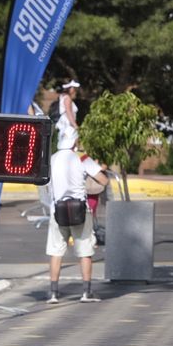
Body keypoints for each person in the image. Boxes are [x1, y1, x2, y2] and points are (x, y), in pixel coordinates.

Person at [45, 130, 107, 304]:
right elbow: (103, 180)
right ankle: (87, 292)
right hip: (80, 209)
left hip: (57, 210)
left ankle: (53, 293)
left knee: (56, 251)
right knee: (85, 252)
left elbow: (46, 184)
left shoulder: (52, 159)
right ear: (74, 142)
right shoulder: (82, 158)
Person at [52, 79, 81, 147]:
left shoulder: (64, 97)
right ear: (71, 89)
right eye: (74, 88)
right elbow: (68, 112)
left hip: (66, 123)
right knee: (71, 142)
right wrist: (75, 125)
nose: (75, 90)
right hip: (68, 123)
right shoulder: (67, 98)